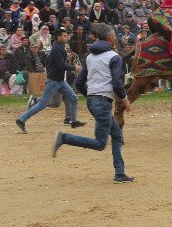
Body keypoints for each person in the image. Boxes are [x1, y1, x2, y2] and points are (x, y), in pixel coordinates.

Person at [51, 24, 133, 183]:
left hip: (93, 101)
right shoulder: (114, 57)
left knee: (117, 136)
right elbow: (117, 83)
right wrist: (125, 99)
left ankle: (120, 173)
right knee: (100, 143)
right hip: (102, 103)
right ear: (110, 38)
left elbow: (79, 83)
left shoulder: (89, 57)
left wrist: (92, 96)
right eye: (114, 36)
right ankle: (64, 138)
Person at [16, 28, 84, 131]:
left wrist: (66, 57)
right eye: (64, 36)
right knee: (43, 104)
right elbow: (61, 66)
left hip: (60, 81)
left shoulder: (59, 48)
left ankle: (73, 122)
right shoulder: (58, 49)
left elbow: (53, 61)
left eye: (67, 35)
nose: (67, 37)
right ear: (58, 37)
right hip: (54, 82)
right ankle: (21, 120)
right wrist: (75, 67)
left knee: (73, 98)